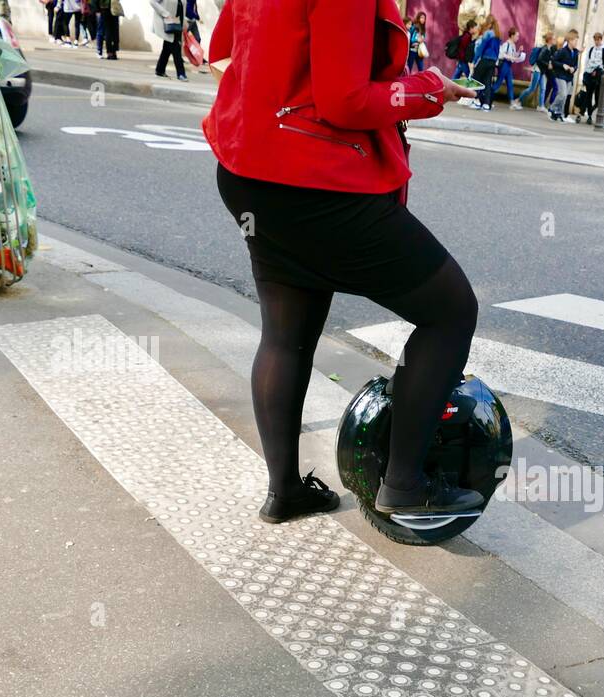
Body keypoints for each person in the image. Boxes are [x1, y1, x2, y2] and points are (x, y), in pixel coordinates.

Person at [204, 0, 485, 522]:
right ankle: (404, 484)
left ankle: (285, 491)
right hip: (313, 180)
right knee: (450, 310)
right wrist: (428, 88)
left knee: (286, 333)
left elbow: (220, 54)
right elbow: (345, 101)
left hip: (248, 168)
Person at [150, 0, 188, 81]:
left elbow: (182, 8)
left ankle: (160, 70)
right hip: (168, 23)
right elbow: (152, 2)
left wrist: (184, 23)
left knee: (167, 48)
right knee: (176, 47)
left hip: (177, 24)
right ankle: (181, 73)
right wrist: (165, 13)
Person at [518, 31, 556, 111]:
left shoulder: (549, 49)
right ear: (549, 40)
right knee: (532, 88)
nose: (555, 40)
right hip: (537, 70)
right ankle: (518, 100)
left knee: (543, 88)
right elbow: (539, 59)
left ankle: (541, 106)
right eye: (553, 39)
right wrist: (547, 64)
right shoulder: (545, 48)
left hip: (541, 71)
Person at [547, 29, 579, 123]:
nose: (576, 42)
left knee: (565, 97)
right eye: (575, 40)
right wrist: (563, 65)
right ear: (569, 40)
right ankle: (552, 108)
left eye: (577, 40)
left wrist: (574, 68)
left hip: (569, 77)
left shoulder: (575, 52)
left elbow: (576, 64)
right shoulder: (562, 51)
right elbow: (554, 61)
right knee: (563, 94)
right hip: (560, 75)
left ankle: (559, 113)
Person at [472, 17, 502, 110]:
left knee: (476, 79)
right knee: (488, 82)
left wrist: (475, 60)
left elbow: (481, 47)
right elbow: (498, 50)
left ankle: (476, 100)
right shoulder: (497, 35)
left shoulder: (488, 33)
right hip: (493, 61)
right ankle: (486, 104)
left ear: (488, 23)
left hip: (485, 59)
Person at [493, 27, 525, 108]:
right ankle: (487, 97)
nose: (518, 38)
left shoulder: (513, 45)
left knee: (510, 84)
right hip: (504, 65)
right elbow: (501, 54)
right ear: (512, 36)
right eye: (517, 36)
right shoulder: (506, 44)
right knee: (498, 83)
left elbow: (513, 55)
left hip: (508, 65)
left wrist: (519, 52)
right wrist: (511, 58)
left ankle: (511, 101)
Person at [581, 32, 604, 122]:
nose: (596, 42)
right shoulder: (591, 49)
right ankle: (589, 115)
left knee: (598, 97)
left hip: (598, 76)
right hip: (589, 73)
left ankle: (591, 111)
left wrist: (597, 71)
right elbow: (587, 61)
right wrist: (585, 73)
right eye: (595, 40)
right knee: (588, 94)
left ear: (601, 40)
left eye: (598, 40)